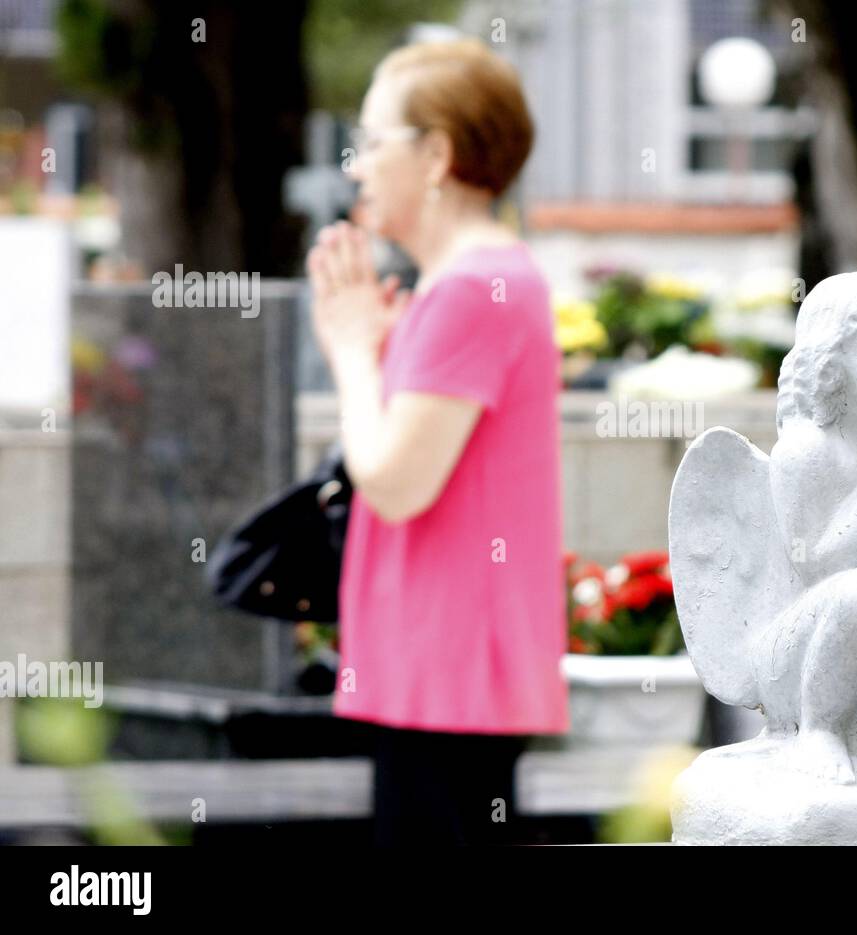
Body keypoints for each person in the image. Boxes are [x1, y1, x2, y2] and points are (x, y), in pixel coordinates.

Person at [305, 37, 568, 846]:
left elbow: (391, 479)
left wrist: (351, 353)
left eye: (372, 142)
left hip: (449, 679)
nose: (357, 167)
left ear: (437, 155)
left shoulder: (471, 290)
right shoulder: (467, 284)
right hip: (443, 677)